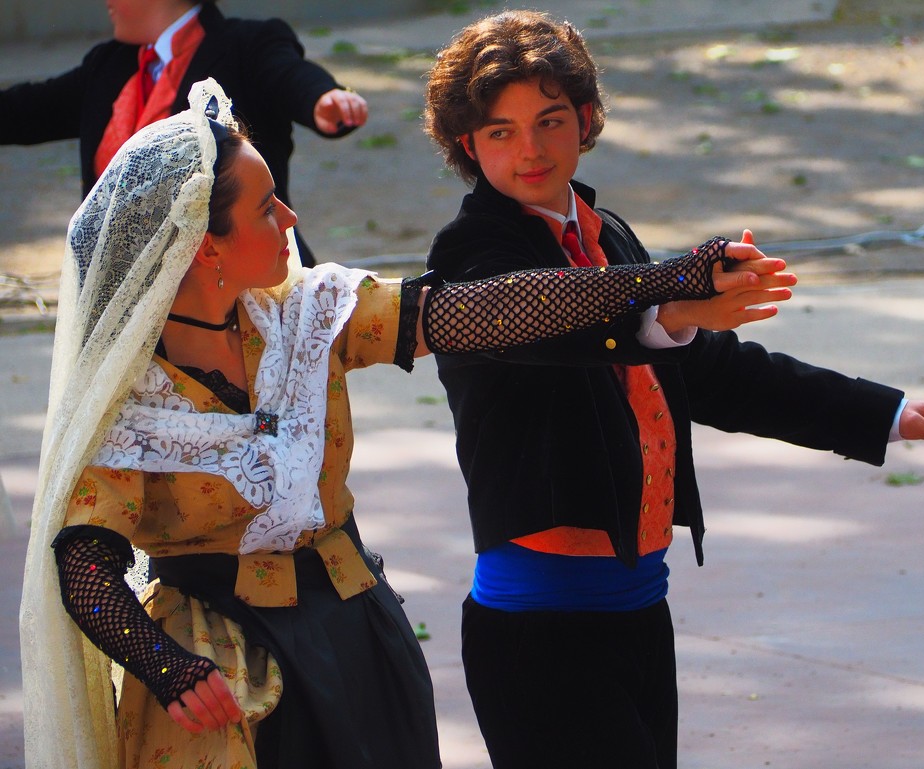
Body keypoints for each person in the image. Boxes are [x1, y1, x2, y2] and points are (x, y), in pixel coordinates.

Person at [18, 77, 781, 769]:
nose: (289, 218)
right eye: (263, 208)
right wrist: (166, 665)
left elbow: (481, 312)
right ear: (200, 249)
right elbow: (85, 560)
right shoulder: (128, 400)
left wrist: (667, 278)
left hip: (355, 636)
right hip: (217, 676)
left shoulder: (308, 314)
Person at [422, 10, 924, 769]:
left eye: (550, 120)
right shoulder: (472, 252)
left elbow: (716, 373)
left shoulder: (608, 235)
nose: (529, 149)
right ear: (468, 145)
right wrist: (669, 304)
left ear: (587, 119)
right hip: (538, 632)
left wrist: (887, 412)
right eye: (500, 131)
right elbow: (551, 322)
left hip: (638, 615)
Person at [0, 0, 365, 267]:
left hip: (236, 280)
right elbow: (27, 110)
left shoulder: (246, 44)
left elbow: (289, 75)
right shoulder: (108, 64)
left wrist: (322, 97)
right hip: (126, 298)